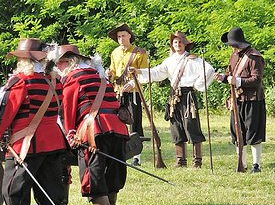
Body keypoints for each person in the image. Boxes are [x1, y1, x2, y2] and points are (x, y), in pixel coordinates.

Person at [0, 38, 67, 205]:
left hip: (27, 142)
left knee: (15, 184)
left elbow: (4, 109)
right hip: (53, 140)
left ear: (26, 60)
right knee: (51, 184)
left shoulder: (22, 81)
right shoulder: (55, 81)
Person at [54, 44, 129, 205]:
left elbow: (68, 109)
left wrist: (70, 134)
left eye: (59, 64)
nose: (58, 69)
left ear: (67, 63)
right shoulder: (100, 76)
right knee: (113, 171)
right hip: (118, 128)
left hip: (94, 130)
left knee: (91, 171)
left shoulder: (72, 78)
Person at [131, 31, 214, 168]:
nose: (178, 44)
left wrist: (196, 85)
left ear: (185, 44)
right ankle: (180, 160)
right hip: (174, 96)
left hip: (188, 96)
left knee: (191, 125)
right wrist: (139, 71)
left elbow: (209, 70)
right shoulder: (169, 61)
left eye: (180, 42)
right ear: (172, 45)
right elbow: (156, 72)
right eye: (175, 42)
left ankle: (197, 161)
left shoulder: (193, 59)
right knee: (176, 127)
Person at [213, 27, 266, 173]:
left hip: (253, 100)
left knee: (253, 133)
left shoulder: (254, 56)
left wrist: (237, 81)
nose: (230, 46)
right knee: (237, 133)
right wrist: (222, 78)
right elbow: (229, 76)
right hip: (237, 101)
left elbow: (257, 79)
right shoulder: (233, 56)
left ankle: (256, 165)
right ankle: (241, 164)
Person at [106, 23, 148, 166]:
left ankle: (137, 157)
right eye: (118, 36)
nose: (121, 39)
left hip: (134, 93)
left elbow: (145, 75)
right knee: (117, 122)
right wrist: (110, 75)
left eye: (123, 36)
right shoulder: (114, 53)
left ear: (129, 36)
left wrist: (133, 84)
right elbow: (114, 74)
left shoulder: (140, 53)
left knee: (134, 123)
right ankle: (120, 152)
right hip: (118, 92)